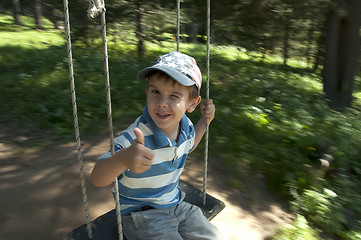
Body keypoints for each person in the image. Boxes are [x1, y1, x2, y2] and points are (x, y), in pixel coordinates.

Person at [91, 51, 221, 239]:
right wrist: (123, 159)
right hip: (142, 217)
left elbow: (189, 145)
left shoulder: (186, 127)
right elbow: (98, 178)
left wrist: (205, 121)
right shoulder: (136, 138)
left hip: (177, 206)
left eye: (174, 96)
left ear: (192, 104)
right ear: (147, 92)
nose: (161, 103)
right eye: (155, 92)